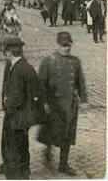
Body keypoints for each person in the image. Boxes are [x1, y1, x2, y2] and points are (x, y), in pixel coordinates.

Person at [38, 32, 87, 176]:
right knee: (51, 132)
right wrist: (44, 103)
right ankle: (47, 156)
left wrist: (84, 100)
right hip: (54, 104)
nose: (67, 48)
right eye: (64, 46)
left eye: (69, 45)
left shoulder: (75, 62)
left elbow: (80, 82)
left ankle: (63, 164)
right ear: (57, 45)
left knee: (68, 134)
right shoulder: (48, 61)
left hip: (70, 104)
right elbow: (41, 84)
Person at [0, 37, 43, 180]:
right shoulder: (23, 66)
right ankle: (24, 170)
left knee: (14, 145)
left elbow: (17, 98)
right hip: (24, 115)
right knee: (22, 143)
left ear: (9, 53)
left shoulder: (19, 69)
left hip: (17, 115)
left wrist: (7, 102)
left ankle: (15, 174)